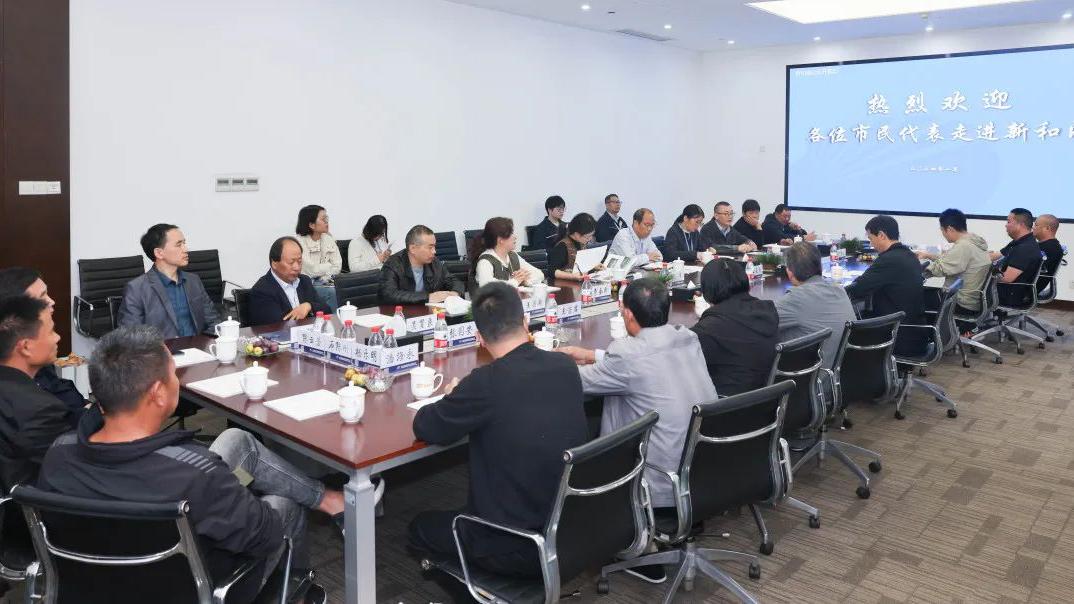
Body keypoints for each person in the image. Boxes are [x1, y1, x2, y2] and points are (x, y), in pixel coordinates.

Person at [37, 326, 345, 601]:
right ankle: (295, 591)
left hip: (89, 588)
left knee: (236, 440)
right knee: (283, 506)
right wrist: (236, 496)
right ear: (158, 394)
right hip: (192, 590)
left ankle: (324, 504)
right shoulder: (196, 472)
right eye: (174, 374)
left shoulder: (58, 455)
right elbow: (265, 536)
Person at [409, 282, 586, 579]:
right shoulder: (565, 366)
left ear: (479, 338)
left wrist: (453, 396)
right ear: (526, 322)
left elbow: (426, 426)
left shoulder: (484, 383)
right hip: (570, 527)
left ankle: (483, 589)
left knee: (419, 528)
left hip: (512, 544)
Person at [558, 278, 716, 583]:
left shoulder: (627, 354)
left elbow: (575, 382)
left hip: (661, 480)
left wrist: (546, 362)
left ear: (628, 313)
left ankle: (633, 544)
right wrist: (594, 355)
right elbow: (646, 361)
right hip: (703, 467)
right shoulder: (687, 337)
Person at [0, 296, 76, 491]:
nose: (57, 338)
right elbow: (71, 471)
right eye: (51, 331)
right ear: (26, 346)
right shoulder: (40, 409)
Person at [0, 267, 87, 422]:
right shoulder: (15, 400)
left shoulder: (40, 352)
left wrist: (86, 410)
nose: (51, 301)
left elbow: (58, 388)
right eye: (42, 296)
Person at [690, 259, 778, 396]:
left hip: (728, 404)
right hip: (766, 398)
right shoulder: (766, 310)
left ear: (707, 290)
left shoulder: (709, 329)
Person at [118, 223, 220, 338]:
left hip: (199, 347)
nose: (186, 249)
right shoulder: (136, 289)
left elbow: (213, 322)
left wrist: (206, 344)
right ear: (159, 253)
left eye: (184, 243)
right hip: (160, 349)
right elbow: (130, 336)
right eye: (178, 245)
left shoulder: (193, 281)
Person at [845, 215, 926, 356]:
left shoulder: (888, 260)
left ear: (881, 235)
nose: (871, 244)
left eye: (871, 238)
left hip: (896, 337)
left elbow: (859, 288)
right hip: (914, 332)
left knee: (844, 335)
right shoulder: (908, 255)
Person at [776, 243, 856, 369]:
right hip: (844, 371)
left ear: (789, 272)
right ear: (820, 266)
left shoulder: (796, 299)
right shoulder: (839, 289)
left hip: (812, 375)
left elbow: (757, 323)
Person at [915, 209, 991, 315]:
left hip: (960, 303)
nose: (943, 234)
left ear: (950, 229)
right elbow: (952, 260)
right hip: (971, 299)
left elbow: (941, 269)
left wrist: (915, 269)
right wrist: (929, 256)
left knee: (914, 297)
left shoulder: (963, 246)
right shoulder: (974, 242)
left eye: (942, 230)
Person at [248, 236, 331, 327]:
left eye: (299, 261)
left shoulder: (304, 281)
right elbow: (277, 326)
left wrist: (309, 306)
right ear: (274, 264)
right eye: (291, 263)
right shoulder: (262, 290)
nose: (297, 267)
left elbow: (327, 310)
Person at [379, 225, 465, 305]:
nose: (434, 251)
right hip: (400, 313)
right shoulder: (393, 265)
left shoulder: (434, 262)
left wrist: (455, 293)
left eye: (434, 247)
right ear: (413, 248)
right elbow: (389, 294)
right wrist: (428, 297)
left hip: (428, 312)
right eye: (430, 247)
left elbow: (454, 281)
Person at [469, 217, 545, 290]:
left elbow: (539, 274)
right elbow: (486, 286)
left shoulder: (512, 255)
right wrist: (515, 281)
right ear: (500, 240)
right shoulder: (485, 261)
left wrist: (524, 281)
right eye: (511, 233)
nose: (515, 237)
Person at [988, 208, 1043, 308]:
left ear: (1021, 225)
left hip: (1008, 295)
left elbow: (1007, 278)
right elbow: (996, 255)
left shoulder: (1025, 248)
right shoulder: (1019, 242)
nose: (1006, 225)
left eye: (1009, 222)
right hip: (1007, 291)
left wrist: (983, 275)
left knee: (966, 286)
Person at [295, 205, 342, 311]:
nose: (327, 222)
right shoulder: (299, 242)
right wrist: (328, 266)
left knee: (345, 288)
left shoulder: (328, 238)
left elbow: (338, 266)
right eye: (323, 219)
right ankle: (333, 320)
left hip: (328, 280)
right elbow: (311, 270)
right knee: (332, 292)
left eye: (327, 218)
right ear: (311, 225)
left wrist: (323, 273)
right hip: (308, 284)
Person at [548, 213, 603, 282]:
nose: (590, 239)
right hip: (565, 285)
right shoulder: (562, 246)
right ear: (576, 234)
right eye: (588, 237)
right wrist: (572, 276)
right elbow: (551, 271)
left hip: (579, 283)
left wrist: (593, 266)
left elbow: (581, 263)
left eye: (592, 235)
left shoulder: (581, 242)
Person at [1033, 214, 1064, 293]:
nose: (1033, 227)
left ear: (1047, 228)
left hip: (1024, 289)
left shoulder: (1050, 248)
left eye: (1036, 225)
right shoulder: (1050, 246)